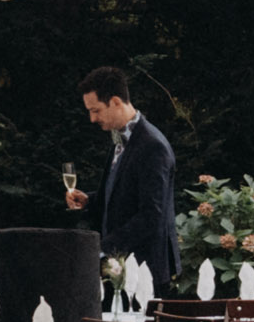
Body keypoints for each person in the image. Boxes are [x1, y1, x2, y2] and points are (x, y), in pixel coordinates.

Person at [64, 64, 179, 291]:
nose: (92, 119)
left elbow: (151, 215)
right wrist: (90, 201)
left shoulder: (152, 146)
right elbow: (123, 194)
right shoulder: (121, 139)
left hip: (144, 273)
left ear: (116, 102)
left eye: (96, 110)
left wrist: (101, 248)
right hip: (121, 269)